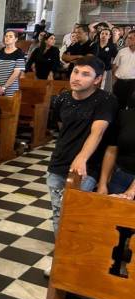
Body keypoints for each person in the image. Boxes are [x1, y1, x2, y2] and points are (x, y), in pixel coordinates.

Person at [46, 56, 118, 273]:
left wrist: (82, 157)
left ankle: (74, 261)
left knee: (75, 216)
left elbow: (97, 132)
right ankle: (62, 257)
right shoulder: (62, 99)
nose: (77, 77)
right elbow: (61, 128)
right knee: (59, 214)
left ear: (98, 79)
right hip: (59, 164)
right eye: (76, 72)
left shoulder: (106, 100)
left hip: (86, 168)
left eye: (85, 74)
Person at [98, 93, 135, 200]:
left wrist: (132, 190)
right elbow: (112, 149)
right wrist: (102, 183)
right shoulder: (124, 115)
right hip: (120, 175)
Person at [0, 30, 25, 96]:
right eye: (6, 36)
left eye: (10, 36)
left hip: (11, 88)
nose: (7, 38)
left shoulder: (19, 53)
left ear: (16, 39)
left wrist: (4, 87)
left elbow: (16, 73)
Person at [113, 30, 135, 109]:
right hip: (120, 82)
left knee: (132, 106)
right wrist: (114, 79)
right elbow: (115, 66)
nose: (128, 40)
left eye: (131, 38)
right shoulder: (122, 51)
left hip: (133, 84)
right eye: (128, 38)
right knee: (118, 104)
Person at [93, 27, 119, 91]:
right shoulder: (94, 45)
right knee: (94, 87)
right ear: (99, 35)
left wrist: (114, 71)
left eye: (106, 34)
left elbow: (116, 59)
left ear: (109, 36)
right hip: (94, 70)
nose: (104, 35)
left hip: (106, 70)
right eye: (102, 33)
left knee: (104, 88)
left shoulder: (112, 46)